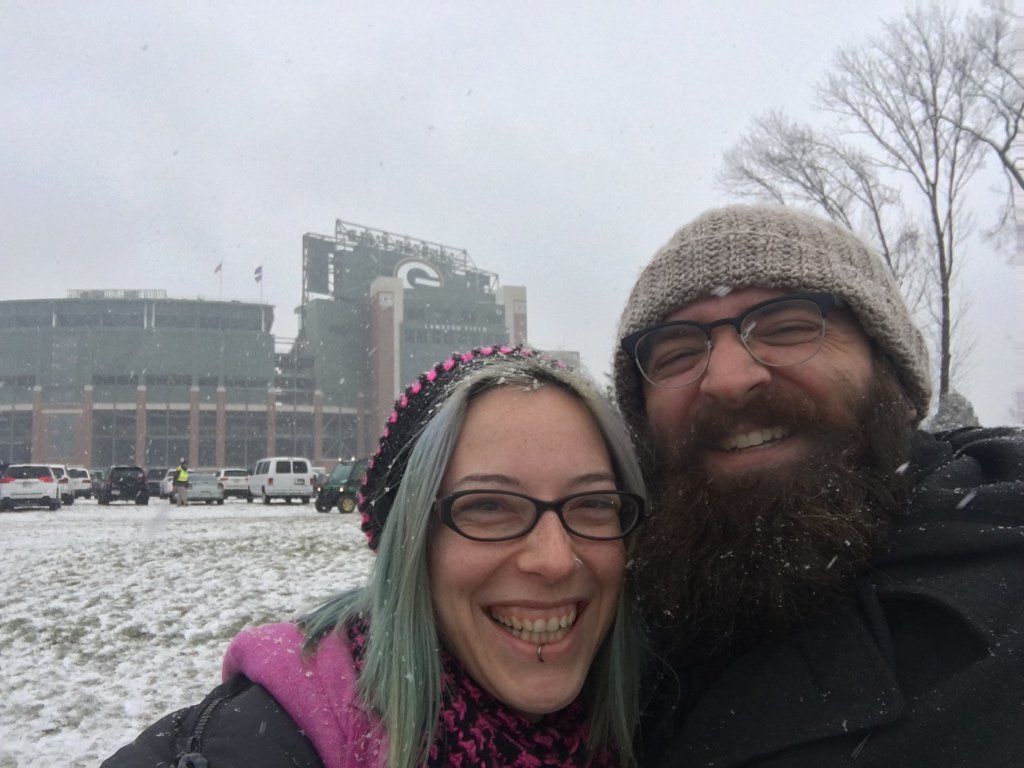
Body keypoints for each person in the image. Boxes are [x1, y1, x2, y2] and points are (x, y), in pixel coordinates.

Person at [614, 204, 1024, 767]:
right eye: (679, 353)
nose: (728, 380)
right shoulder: (606, 626)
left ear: (890, 369)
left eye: (787, 329)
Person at [103, 345, 647, 768]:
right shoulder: (261, 739)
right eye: (488, 506)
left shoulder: (668, 717)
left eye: (593, 503)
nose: (555, 560)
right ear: (407, 548)